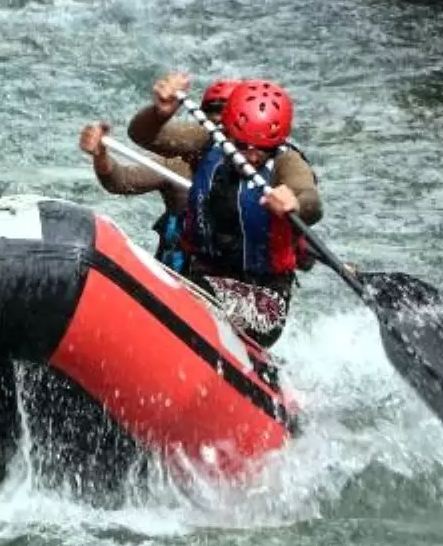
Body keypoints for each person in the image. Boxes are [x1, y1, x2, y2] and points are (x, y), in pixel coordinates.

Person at [128, 72, 322, 346]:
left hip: (264, 301)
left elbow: (312, 201)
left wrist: (295, 202)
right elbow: (142, 135)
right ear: (229, 130)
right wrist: (159, 113)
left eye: (263, 148)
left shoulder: (286, 162)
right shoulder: (208, 140)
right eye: (243, 145)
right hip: (201, 276)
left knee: (190, 295)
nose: (252, 156)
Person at [78, 79, 240, 272]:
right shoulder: (177, 165)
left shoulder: (261, 176)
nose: (220, 139)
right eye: (213, 121)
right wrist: (100, 155)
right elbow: (120, 181)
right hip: (179, 276)